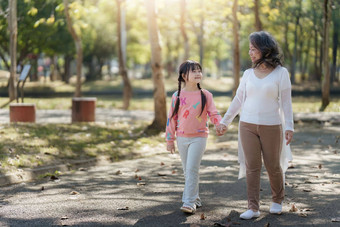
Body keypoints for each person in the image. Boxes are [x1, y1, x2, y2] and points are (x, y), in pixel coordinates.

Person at [216, 31, 294, 219]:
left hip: (272, 125)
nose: (250, 53)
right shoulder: (248, 74)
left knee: (273, 166)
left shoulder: (281, 73)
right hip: (247, 125)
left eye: (253, 49)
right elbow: (238, 99)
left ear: (265, 49)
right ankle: (253, 207)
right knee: (252, 166)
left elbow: (286, 102)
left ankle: (277, 201)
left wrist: (289, 126)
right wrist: (225, 121)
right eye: (249, 49)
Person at [166, 60, 222, 214]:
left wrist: (219, 124)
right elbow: (172, 118)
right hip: (182, 138)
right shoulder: (177, 96)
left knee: (192, 169)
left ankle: (189, 202)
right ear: (184, 76)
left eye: (199, 70)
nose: (198, 73)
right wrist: (169, 139)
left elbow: (214, 113)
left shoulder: (206, 95)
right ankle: (195, 197)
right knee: (187, 170)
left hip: (199, 137)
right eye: (194, 71)